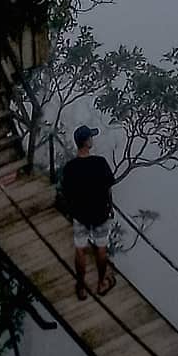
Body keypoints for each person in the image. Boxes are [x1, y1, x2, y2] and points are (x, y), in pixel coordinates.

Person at [60, 124, 116, 299]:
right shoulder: (100, 163)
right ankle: (100, 284)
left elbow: (66, 193)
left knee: (80, 249)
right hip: (99, 213)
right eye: (91, 137)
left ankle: (82, 286)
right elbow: (108, 188)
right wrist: (109, 207)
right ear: (87, 142)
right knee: (100, 249)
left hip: (80, 214)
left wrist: (73, 211)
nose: (92, 139)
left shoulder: (70, 168)